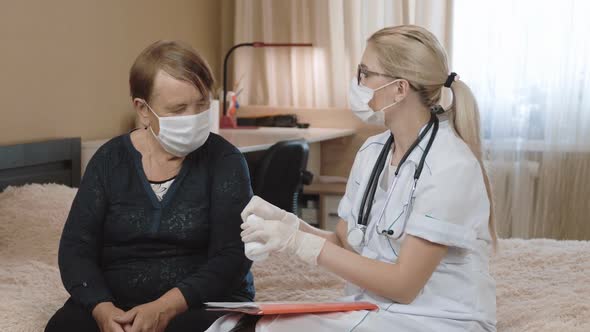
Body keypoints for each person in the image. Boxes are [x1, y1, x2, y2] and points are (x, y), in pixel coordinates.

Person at [207, 25, 497, 332]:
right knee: (232, 324)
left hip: (437, 318)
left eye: (365, 73)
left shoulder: (451, 166)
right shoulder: (373, 152)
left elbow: (403, 286)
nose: (357, 83)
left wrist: (299, 243)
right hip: (374, 308)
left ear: (400, 88)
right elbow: (345, 244)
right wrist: (289, 225)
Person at [45, 40, 255, 332]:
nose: (193, 117)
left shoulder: (225, 160)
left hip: (200, 303)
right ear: (143, 109)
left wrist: (164, 308)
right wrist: (103, 310)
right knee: (63, 327)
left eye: (202, 103)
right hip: (118, 302)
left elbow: (233, 256)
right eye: (179, 108)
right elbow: (75, 249)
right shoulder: (109, 160)